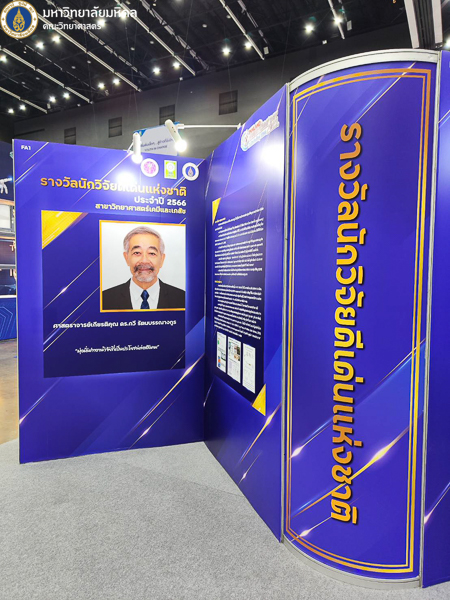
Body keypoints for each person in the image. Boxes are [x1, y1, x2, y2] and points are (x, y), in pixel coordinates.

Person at [102, 225, 185, 310]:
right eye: (137, 253)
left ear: (162, 259)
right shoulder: (104, 300)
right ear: (126, 258)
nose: (144, 260)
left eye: (152, 253)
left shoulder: (183, 299)